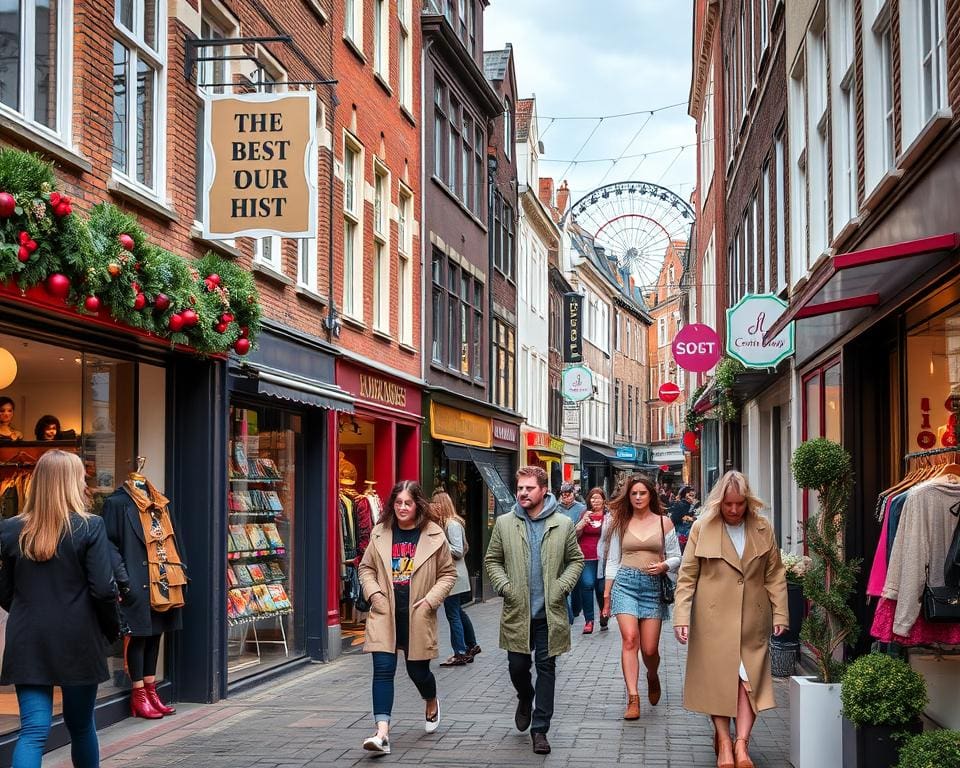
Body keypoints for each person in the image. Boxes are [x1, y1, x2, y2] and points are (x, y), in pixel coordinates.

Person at [0, 449, 118, 768]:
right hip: (78, 637)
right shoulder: (90, 526)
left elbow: (4, 591)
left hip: (28, 639)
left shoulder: (11, 529)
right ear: (70, 482)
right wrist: (111, 630)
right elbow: (105, 590)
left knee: (34, 731)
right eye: (81, 476)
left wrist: (29, 612)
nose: (84, 482)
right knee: (81, 726)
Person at [673, 471, 788, 768]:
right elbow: (687, 576)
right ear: (719, 502)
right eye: (728, 505)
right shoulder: (702, 527)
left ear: (748, 501)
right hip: (712, 620)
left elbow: (774, 574)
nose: (734, 510)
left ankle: (742, 744)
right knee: (718, 682)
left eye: (739, 504)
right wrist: (681, 617)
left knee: (748, 681)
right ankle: (724, 742)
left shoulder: (763, 527)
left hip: (753, 618)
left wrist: (781, 612)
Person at [484, 466, 584, 755]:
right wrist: (506, 587)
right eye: (520, 488)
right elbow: (492, 560)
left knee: (547, 668)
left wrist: (561, 587)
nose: (523, 493)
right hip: (518, 609)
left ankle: (540, 730)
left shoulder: (563, 524)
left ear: (544, 490)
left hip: (549, 613)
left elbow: (576, 560)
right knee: (517, 667)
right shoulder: (505, 523)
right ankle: (525, 697)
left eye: (529, 488)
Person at [358, 481, 457, 756]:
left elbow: (448, 574)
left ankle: (431, 700)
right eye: (398, 502)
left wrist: (430, 600)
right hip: (384, 614)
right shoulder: (380, 532)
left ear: (418, 505)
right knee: (383, 670)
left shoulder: (434, 535)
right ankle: (382, 734)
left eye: (408, 503)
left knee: (418, 672)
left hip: (418, 614)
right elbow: (365, 568)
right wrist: (375, 594)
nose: (402, 508)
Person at [601, 475, 681, 720]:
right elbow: (612, 561)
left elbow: (678, 557)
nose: (637, 498)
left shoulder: (664, 523)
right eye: (633, 494)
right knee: (629, 639)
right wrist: (606, 597)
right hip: (625, 583)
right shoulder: (620, 522)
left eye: (642, 493)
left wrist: (665, 566)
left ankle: (652, 675)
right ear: (628, 496)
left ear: (651, 496)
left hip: (652, 587)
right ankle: (633, 698)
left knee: (649, 649)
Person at [432, 491, 481, 666]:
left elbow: (458, 550)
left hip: (453, 575)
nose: (433, 507)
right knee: (458, 611)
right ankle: (472, 645)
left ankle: (459, 652)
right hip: (455, 575)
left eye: (436, 503)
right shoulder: (448, 524)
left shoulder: (451, 524)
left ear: (442, 505)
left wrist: (439, 542)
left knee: (452, 613)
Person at [574, 487, 608, 634]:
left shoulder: (608, 516)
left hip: (603, 558)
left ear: (604, 500)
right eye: (592, 498)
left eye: (598, 498)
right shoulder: (584, 514)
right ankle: (589, 620)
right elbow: (575, 534)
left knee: (601, 589)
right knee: (587, 586)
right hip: (586, 556)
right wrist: (582, 523)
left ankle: (603, 613)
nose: (595, 500)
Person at [556, 482, 586, 624]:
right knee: (564, 581)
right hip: (560, 550)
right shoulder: (555, 508)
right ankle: (567, 614)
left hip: (576, 549)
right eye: (563, 495)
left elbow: (583, 530)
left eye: (568, 494)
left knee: (577, 583)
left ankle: (575, 608)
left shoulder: (582, 509)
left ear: (574, 494)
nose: (566, 498)